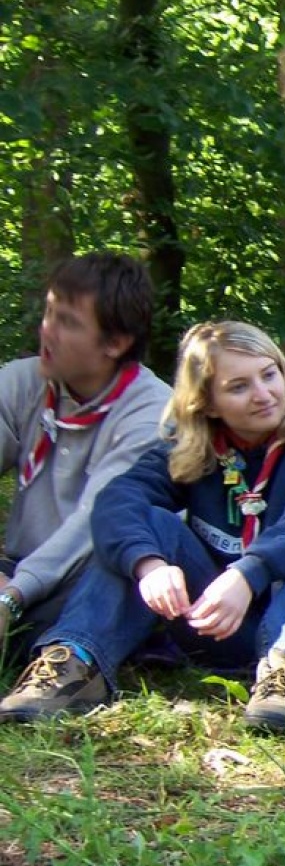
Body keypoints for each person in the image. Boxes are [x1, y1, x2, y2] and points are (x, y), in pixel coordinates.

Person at [0, 321, 285, 731]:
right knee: (144, 525)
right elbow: (118, 501)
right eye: (239, 386)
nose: (263, 394)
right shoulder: (195, 446)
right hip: (216, 624)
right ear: (208, 403)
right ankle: (76, 661)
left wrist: (250, 572)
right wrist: (147, 564)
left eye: (269, 374)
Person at [0, 251, 170, 647]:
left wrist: (11, 595)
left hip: (87, 578)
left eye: (67, 322)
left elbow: (92, 524)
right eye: (49, 312)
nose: (47, 330)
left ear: (115, 343)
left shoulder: (152, 414)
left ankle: (68, 654)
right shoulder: (23, 382)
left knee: (100, 587)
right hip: (17, 570)